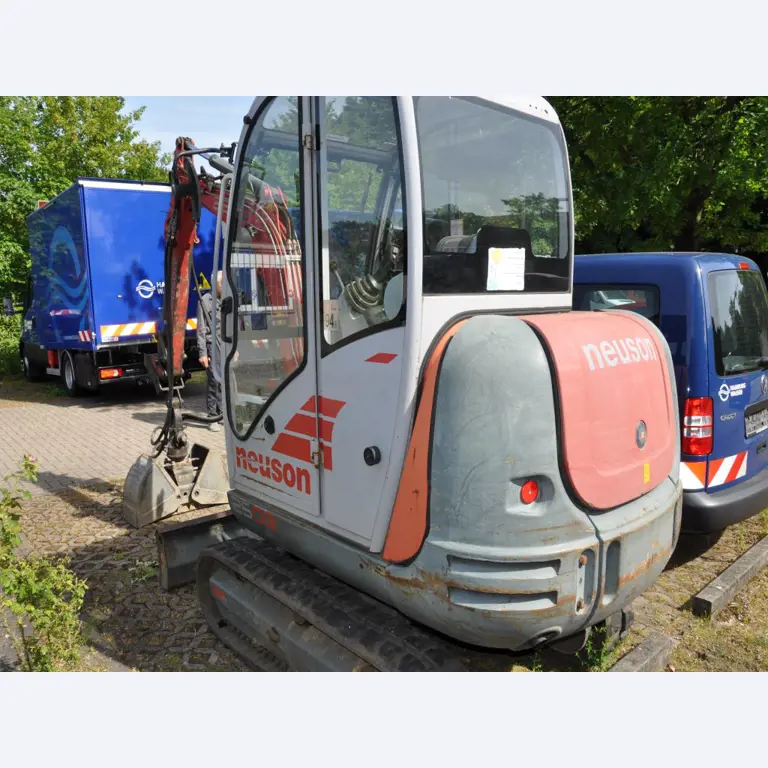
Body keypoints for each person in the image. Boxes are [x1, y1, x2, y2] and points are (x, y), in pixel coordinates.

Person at [197, 271, 224, 431]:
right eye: (222, 284)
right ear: (215, 285)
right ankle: (212, 417)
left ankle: (221, 414)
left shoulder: (227, 300)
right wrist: (203, 353)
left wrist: (235, 349)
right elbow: (201, 329)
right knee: (213, 382)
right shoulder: (205, 302)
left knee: (222, 382)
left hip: (225, 346)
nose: (225, 287)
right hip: (211, 346)